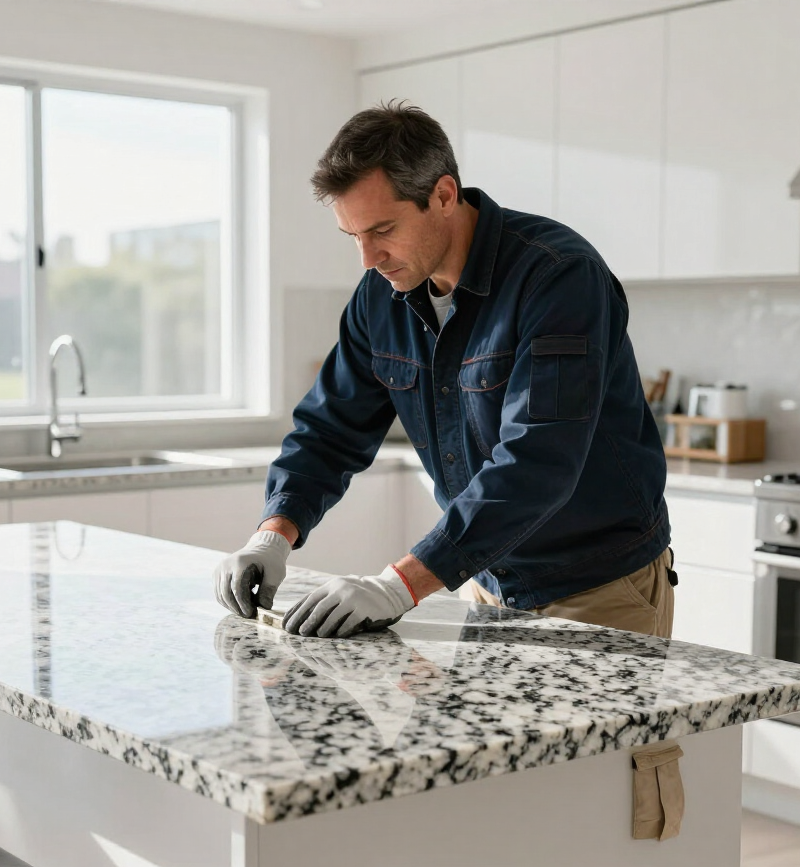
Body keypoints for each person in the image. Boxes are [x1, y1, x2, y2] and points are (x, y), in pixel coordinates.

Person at [213, 101, 675, 640]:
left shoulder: (558, 277)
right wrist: (273, 533)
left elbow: (539, 459)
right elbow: (329, 430)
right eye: (353, 236)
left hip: (596, 589)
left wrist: (398, 584)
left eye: (382, 229)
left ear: (444, 196)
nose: (368, 258)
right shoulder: (380, 297)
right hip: (485, 584)